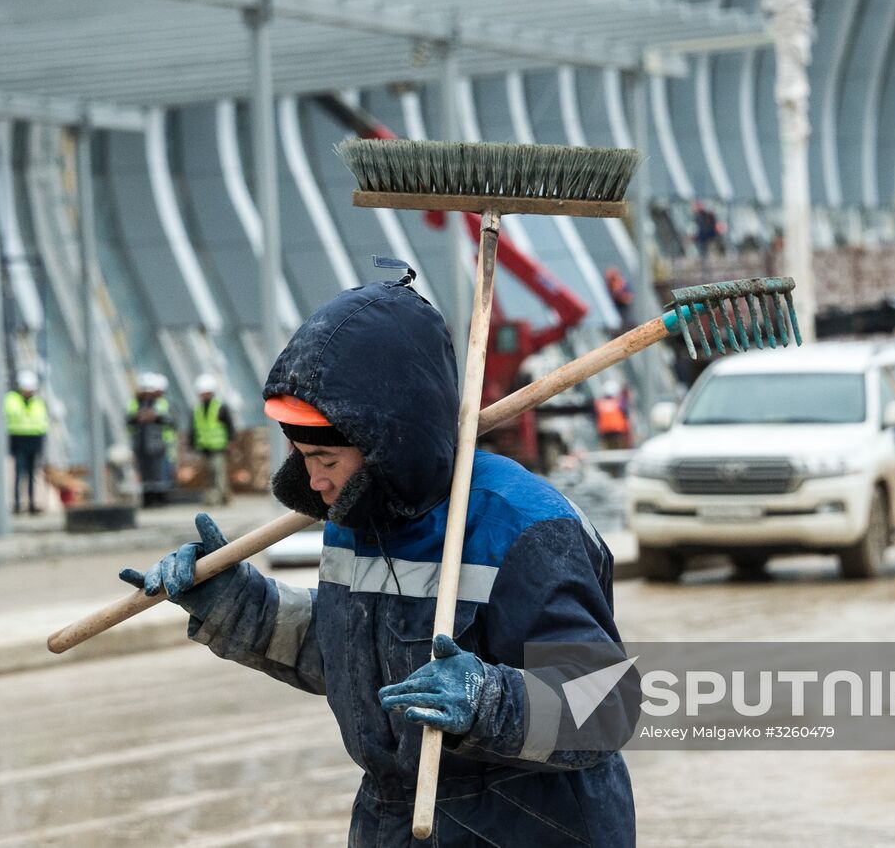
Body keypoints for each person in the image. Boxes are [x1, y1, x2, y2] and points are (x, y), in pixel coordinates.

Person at [121, 273, 636, 845]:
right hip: (395, 822)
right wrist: (236, 604)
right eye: (300, 455)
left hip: (527, 826)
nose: (313, 481)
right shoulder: (358, 512)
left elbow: (606, 708)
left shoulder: (522, 527)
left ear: (393, 443)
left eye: (325, 458)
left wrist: (490, 701)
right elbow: (351, 656)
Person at [4, 369, 49, 515]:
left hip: (34, 440)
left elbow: (42, 422)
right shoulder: (11, 399)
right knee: (18, 473)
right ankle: (17, 504)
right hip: (18, 439)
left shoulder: (38, 402)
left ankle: (32, 503)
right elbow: (11, 415)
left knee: (32, 474)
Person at [128, 373, 175, 508]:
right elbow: (128, 419)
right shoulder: (135, 404)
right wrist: (137, 417)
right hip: (141, 444)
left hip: (158, 445)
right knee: (145, 474)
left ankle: (160, 499)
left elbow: (171, 420)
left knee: (158, 473)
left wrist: (155, 417)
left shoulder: (161, 403)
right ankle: (148, 500)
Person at [189, 374, 234, 506]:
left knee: (218, 473)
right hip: (204, 447)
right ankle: (215, 497)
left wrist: (230, 442)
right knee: (208, 474)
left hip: (219, 447)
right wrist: (192, 444)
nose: (204, 396)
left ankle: (220, 497)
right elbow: (193, 428)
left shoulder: (220, 407)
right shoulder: (197, 409)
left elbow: (229, 426)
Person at [594, 382, 631, 450]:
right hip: (619, 434)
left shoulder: (600, 403)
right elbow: (625, 416)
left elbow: (596, 417)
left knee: (609, 453)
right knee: (621, 452)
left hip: (605, 435)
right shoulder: (619, 402)